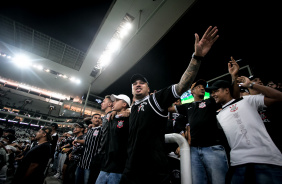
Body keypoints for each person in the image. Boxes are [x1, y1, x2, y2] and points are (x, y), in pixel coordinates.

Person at [119, 26, 219, 184]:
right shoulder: (132, 109)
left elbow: (182, 86)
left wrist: (196, 58)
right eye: (134, 84)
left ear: (148, 88)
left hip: (154, 171)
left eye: (142, 83)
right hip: (130, 169)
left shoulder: (156, 99)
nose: (138, 85)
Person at [167, 57, 240, 184]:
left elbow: (233, 96)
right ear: (192, 91)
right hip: (193, 151)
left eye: (203, 86)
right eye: (199, 86)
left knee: (219, 181)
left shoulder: (211, 101)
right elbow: (169, 108)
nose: (202, 88)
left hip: (212, 148)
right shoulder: (187, 106)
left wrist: (233, 76)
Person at [206, 77, 282, 184]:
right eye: (211, 93)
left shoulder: (247, 100)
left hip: (265, 160)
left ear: (227, 90)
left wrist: (251, 85)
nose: (213, 94)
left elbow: (279, 97)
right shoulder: (218, 115)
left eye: (216, 91)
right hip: (238, 164)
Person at [96, 94, 130, 184]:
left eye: (117, 100)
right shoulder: (111, 117)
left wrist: (130, 110)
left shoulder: (129, 119)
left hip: (118, 166)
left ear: (124, 104)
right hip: (106, 163)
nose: (113, 102)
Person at [75, 113, 102, 184]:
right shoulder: (89, 130)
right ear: (91, 120)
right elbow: (87, 141)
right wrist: (77, 141)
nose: (97, 119)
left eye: (99, 118)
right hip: (81, 162)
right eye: (95, 118)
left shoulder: (101, 130)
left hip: (90, 164)